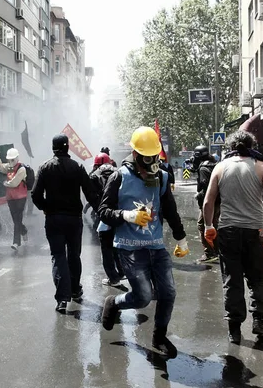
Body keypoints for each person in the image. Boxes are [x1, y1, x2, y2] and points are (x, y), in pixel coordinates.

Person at [99, 126, 188, 358]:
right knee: (143, 297)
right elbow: (103, 211)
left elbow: (170, 210)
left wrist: (182, 239)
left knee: (168, 293)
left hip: (156, 246)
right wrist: (128, 215)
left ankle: (159, 337)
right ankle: (115, 302)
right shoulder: (119, 177)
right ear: (136, 155)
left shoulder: (162, 177)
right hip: (129, 248)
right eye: (147, 160)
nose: (151, 169)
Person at [202, 130, 263, 344]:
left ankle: (234, 329)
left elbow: (209, 202)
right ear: (252, 144)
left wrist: (209, 226)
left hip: (227, 231)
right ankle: (258, 320)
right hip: (256, 231)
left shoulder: (220, 167)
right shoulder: (262, 167)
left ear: (230, 147)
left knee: (232, 279)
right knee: (257, 277)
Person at [32, 134, 99, 314]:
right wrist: (102, 212)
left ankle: (62, 299)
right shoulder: (77, 167)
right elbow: (90, 192)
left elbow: (35, 195)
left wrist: (45, 207)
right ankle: (76, 290)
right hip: (74, 219)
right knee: (74, 255)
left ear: (53, 148)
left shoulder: (44, 168)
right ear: (68, 147)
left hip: (53, 219)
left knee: (58, 256)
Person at [89, 153, 124, 286]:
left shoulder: (94, 175)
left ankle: (113, 278)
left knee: (106, 247)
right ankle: (121, 271)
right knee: (116, 244)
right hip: (118, 213)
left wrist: (99, 211)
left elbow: (92, 196)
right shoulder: (118, 172)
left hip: (104, 214)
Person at [0, 147, 28, 250]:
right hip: (11, 198)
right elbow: (0, 167)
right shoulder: (9, 167)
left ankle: (16, 243)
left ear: (17, 158)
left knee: (17, 218)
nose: (10, 162)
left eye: (12, 159)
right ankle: (24, 231)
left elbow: (14, 183)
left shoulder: (22, 169)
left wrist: (5, 183)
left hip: (21, 198)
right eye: (9, 160)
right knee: (16, 220)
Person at [192, 145, 220, 263]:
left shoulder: (203, 168)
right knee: (214, 224)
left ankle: (210, 252)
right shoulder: (214, 164)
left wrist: (199, 195)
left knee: (203, 225)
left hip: (209, 202)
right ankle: (217, 250)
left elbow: (206, 186)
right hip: (218, 200)